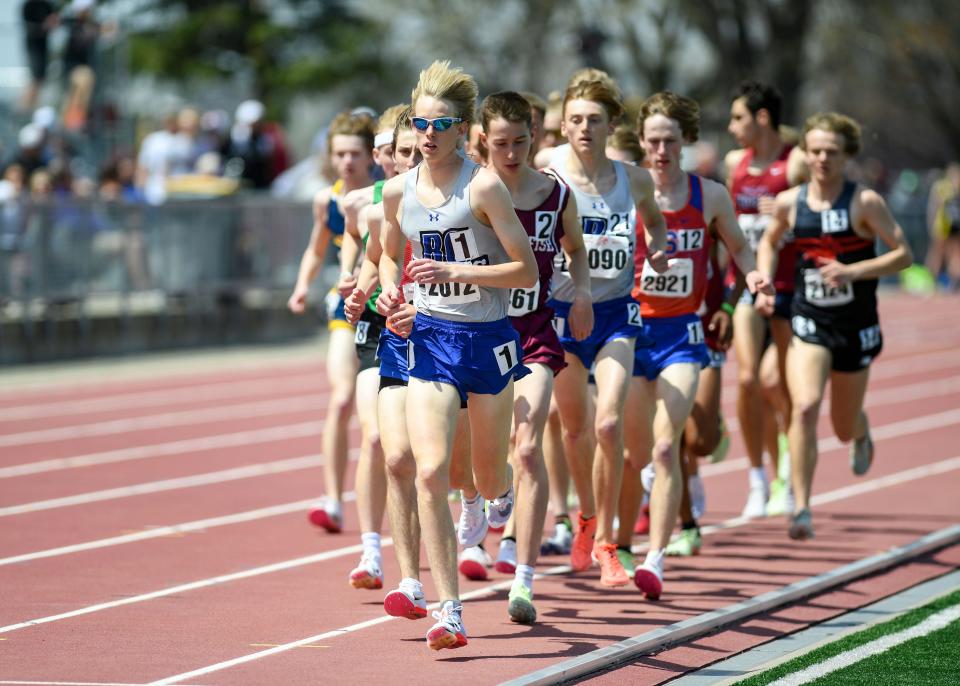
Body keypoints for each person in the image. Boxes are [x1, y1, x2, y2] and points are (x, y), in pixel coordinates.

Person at [376, 60, 538, 650]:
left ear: (461, 127)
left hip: (487, 340)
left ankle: (494, 496)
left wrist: (456, 269)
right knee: (427, 468)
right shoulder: (399, 190)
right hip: (432, 340)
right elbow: (390, 254)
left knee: (488, 471)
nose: (427, 134)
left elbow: (525, 268)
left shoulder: (484, 186)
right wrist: (395, 293)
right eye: (419, 122)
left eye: (439, 124)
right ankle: (449, 609)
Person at [623, 92, 773, 600]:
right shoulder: (622, 190)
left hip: (683, 333)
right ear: (641, 143)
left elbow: (738, 246)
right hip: (629, 332)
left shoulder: (707, 195)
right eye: (653, 141)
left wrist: (755, 278)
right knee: (635, 450)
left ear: (684, 142)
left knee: (671, 446)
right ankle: (613, 539)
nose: (661, 151)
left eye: (670, 141)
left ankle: (657, 557)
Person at [756, 112, 912, 540]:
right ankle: (801, 506)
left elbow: (904, 255)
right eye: (816, 150)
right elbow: (770, 241)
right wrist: (766, 280)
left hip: (855, 324)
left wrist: (854, 271)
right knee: (804, 406)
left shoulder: (864, 202)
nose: (823, 158)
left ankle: (860, 430)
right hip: (810, 318)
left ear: (846, 156)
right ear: (804, 153)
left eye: (832, 152)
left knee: (842, 427)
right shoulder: (791, 202)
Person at [471, 91, 592, 623]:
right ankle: (478, 508)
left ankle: (523, 579)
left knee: (526, 448)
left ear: (535, 137)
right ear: (482, 140)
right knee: (478, 454)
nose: (513, 152)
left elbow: (576, 250)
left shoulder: (555, 192)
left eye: (521, 141)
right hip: (479, 333)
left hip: (536, 334)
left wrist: (582, 291)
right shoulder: (473, 192)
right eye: (501, 143)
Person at [547, 78, 668, 587]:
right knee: (574, 428)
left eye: (594, 120)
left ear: (611, 125)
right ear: (563, 124)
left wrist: (657, 250)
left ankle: (609, 544)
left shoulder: (633, 179)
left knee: (608, 425)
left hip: (616, 314)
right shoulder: (547, 171)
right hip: (562, 315)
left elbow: (656, 224)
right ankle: (587, 517)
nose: (584, 128)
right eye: (575, 119)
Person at [330, 104, 409, 591]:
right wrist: (354, 283)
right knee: (377, 440)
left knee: (425, 453)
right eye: (382, 151)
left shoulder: (440, 197)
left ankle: (472, 514)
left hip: (434, 330)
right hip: (378, 332)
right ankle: (371, 553)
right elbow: (354, 252)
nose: (387, 160)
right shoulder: (362, 203)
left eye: (395, 152)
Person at [288, 110, 376, 534]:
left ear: (371, 154)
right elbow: (315, 248)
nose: (346, 161)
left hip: (387, 308)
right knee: (342, 399)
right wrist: (302, 286)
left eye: (354, 153)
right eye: (339, 153)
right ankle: (333, 499)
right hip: (344, 307)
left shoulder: (388, 194)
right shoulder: (327, 200)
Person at [725, 81, 807, 518]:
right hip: (747, 286)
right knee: (748, 381)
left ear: (761, 118)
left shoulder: (795, 166)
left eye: (738, 117)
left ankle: (788, 473)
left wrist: (792, 209)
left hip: (791, 289)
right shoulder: (734, 163)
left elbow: (819, 214)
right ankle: (757, 479)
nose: (731, 126)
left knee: (779, 385)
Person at [925, 162, 960, 290]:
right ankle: (934, 280)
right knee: (939, 253)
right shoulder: (942, 187)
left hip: (951, 225)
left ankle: (952, 281)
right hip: (943, 225)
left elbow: (935, 206)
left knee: (952, 253)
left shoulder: (942, 187)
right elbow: (936, 206)